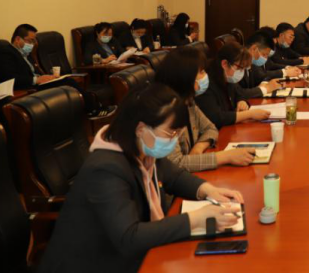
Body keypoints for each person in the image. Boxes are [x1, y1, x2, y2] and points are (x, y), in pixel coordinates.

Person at [38, 83, 244, 273]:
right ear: (141, 129)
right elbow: (129, 237)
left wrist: (208, 190)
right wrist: (195, 219)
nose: (174, 140)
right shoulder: (106, 169)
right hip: (94, 264)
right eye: (170, 133)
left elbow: (174, 176)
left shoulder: (142, 149)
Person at [155, 46, 258, 171]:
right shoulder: (164, 111)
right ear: (185, 76)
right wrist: (226, 157)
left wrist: (198, 147)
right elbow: (175, 164)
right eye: (202, 72)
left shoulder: (188, 101)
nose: (205, 76)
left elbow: (210, 128)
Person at [195, 41, 272, 129]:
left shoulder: (227, 77)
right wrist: (249, 114)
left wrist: (241, 101)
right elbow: (217, 118)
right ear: (224, 64)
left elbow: (240, 93)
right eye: (240, 68)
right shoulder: (206, 83)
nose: (241, 72)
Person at [0, 24, 58, 90]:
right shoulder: (5, 53)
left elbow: (35, 72)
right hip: (24, 89)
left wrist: (47, 78)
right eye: (30, 40)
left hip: (38, 85)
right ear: (17, 39)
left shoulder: (26, 53)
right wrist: (35, 80)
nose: (32, 44)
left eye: (34, 41)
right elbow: (9, 79)